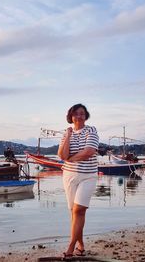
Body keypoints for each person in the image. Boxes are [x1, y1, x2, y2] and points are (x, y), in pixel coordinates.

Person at [57, 103, 99, 258]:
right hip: (69, 176)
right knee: (74, 213)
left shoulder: (91, 130)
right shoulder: (66, 133)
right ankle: (81, 245)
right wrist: (68, 135)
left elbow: (88, 152)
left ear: (85, 115)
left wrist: (71, 158)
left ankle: (71, 246)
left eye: (82, 113)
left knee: (79, 210)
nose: (79, 116)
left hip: (88, 175)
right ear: (71, 116)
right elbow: (62, 155)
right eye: (76, 114)